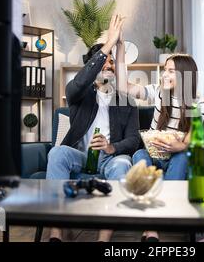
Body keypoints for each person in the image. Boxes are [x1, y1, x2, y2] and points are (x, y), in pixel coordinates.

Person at [45, 15, 140, 242]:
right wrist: (109, 44)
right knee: (57, 152)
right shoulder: (78, 94)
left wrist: (111, 147)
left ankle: (103, 239)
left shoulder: (127, 102)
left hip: (110, 159)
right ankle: (56, 233)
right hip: (80, 155)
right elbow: (79, 82)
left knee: (123, 163)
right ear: (92, 66)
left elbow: (134, 140)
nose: (108, 66)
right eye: (104, 62)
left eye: (111, 63)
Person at [115, 21, 204, 242]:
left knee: (185, 155)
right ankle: (153, 227)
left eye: (171, 71)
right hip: (152, 154)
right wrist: (119, 47)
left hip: (176, 155)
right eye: (165, 70)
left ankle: (159, 218)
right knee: (138, 155)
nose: (165, 75)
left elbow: (194, 134)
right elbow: (123, 86)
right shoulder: (157, 91)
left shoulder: (194, 100)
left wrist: (180, 145)